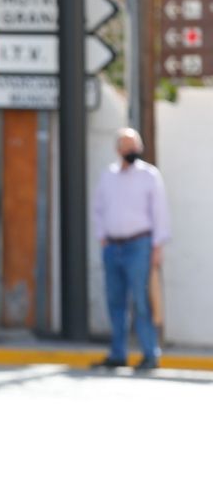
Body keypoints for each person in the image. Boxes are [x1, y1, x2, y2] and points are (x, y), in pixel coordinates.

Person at [90, 128, 170, 372]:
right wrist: (102, 237)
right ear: (118, 149)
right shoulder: (108, 176)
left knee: (142, 301)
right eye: (127, 146)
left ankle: (149, 354)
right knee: (115, 302)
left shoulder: (149, 175)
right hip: (113, 246)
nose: (132, 151)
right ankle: (118, 353)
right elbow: (98, 209)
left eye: (135, 146)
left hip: (140, 245)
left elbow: (159, 212)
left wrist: (157, 245)